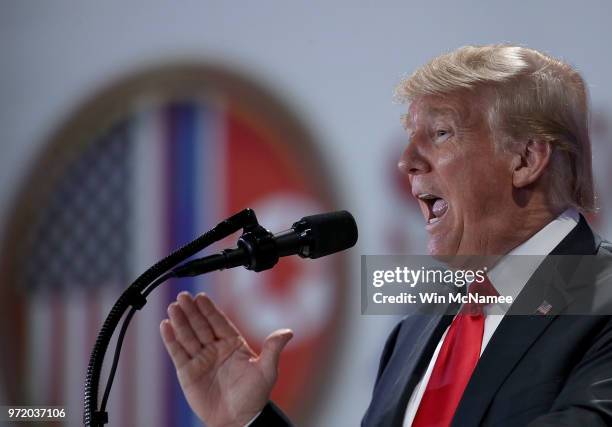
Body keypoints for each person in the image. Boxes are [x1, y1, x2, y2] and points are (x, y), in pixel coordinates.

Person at [159, 45, 612, 426]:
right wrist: (252, 420)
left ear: (526, 159)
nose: (407, 163)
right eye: (409, 138)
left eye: (440, 133)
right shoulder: (414, 331)